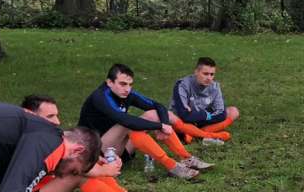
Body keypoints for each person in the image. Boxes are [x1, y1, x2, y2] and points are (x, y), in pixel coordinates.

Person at [21, 95, 169, 192]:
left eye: (56, 115)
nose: (57, 121)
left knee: (86, 161)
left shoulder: (42, 133)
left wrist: (97, 159)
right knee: (79, 174)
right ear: (29, 115)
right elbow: (77, 168)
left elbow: (70, 145)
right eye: (50, 117)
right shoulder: (28, 139)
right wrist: (105, 170)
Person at [78, 64, 212, 181]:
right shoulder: (100, 97)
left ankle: (187, 157)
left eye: (130, 84)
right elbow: (125, 120)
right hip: (97, 153)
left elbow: (158, 105)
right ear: (109, 82)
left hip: (120, 150)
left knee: (152, 114)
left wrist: (163, 124)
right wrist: (159, 126)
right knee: (127, 124)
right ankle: (172, 166)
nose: (127, 89)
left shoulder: (125, 93)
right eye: (123, 84)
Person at [170, 57, 240, 141]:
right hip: (183, 121)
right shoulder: (182, 85)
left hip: (200, 119)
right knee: (171, 118)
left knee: (233, 111)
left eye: (212, 74)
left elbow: (221, 114)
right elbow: (183, 115)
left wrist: (205, 116)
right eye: (205, 74)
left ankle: (193, 133)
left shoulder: (215, 86)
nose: (209, 78)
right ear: (196, 72)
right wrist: (206, 115)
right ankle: (205, 134)